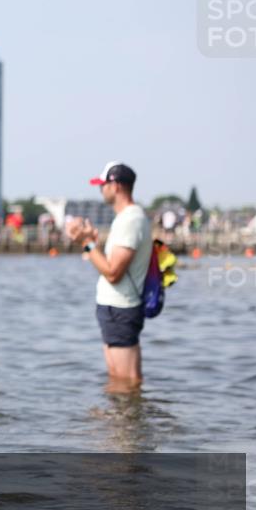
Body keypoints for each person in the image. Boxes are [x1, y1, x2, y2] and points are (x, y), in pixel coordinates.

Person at [67, 162, 152, 389]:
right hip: (115, 309)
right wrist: (92, 244)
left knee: (127, 382)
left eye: (102, 185)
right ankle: (120, 423)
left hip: (121, 309)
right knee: (117, 380)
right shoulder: (125, 218)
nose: (101, 190)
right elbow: (112, 264)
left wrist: (86, 243)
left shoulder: (131, 220)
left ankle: (129, 424)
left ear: (115, 186)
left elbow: (113, 272)